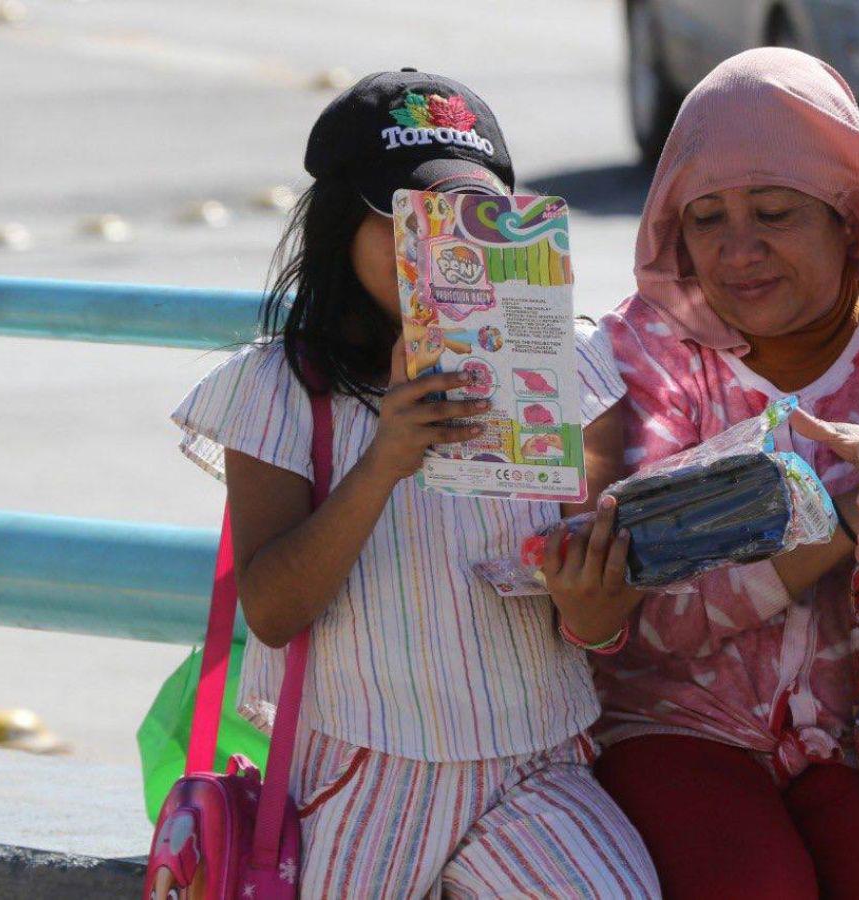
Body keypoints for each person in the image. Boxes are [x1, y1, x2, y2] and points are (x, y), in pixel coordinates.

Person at [543, 49, 859, 898]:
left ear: (848, 216)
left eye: (773, 212)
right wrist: (848, 523)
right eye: (705, 219)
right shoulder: (640, 355)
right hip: (679, 734)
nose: (738, 251)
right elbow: (659, 620)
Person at [170, 69, 657, 898]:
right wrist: (384, 462)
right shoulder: (282, 391)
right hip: (358, 768)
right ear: (337, 230)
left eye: (469, 226)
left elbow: (601, 621)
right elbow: (275, 611)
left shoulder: (574, 371)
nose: (440, 256)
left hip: (537, 761)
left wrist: (594, 596)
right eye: (406, 225)